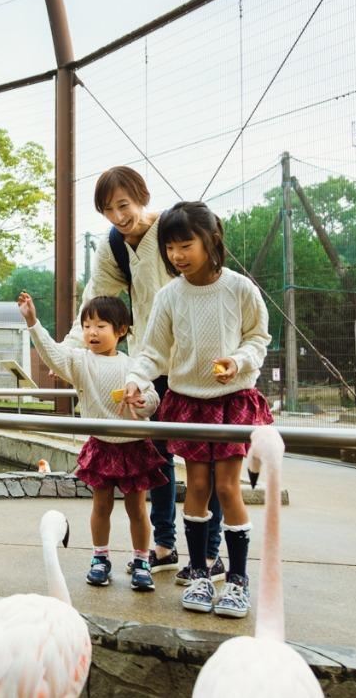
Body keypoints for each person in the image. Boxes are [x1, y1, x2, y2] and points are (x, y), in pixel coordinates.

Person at [65, 166, 224, 585]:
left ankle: (210, 552)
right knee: (157, 460)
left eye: (125, 204)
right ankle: (166, 546)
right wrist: (70, 351)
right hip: (151, 366)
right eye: (108, 209)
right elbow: (94, 304)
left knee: (207, 459)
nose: (119, 216)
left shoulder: (171, 232)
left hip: (197, 365)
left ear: (142, 196)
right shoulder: (114, 246)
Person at [122, 201, 273, 618]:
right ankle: (200, 572)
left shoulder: (240, 288)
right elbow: (152, 350)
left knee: (228, 488)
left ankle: (238, 580)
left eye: (185, 245)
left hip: (231, 401)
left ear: (211, 241)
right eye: (170, 248)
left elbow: (257, 338)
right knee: (198, 486)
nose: (177, 256)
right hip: (187, 401)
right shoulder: (170, 296)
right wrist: (136, 378)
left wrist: (237, 362)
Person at [20, 291, 164, 592]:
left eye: (100, 326)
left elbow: (153, 398)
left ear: (121, 330)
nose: (92, 332)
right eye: (87, 325)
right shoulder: (79, 362)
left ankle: (141, 561)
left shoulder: (133, 365)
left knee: (138, 509)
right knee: (101, 506)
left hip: (134, 443)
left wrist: (141, 401)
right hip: (101, 444)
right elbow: (53, 354)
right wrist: (33, 322)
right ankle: (100, 558)